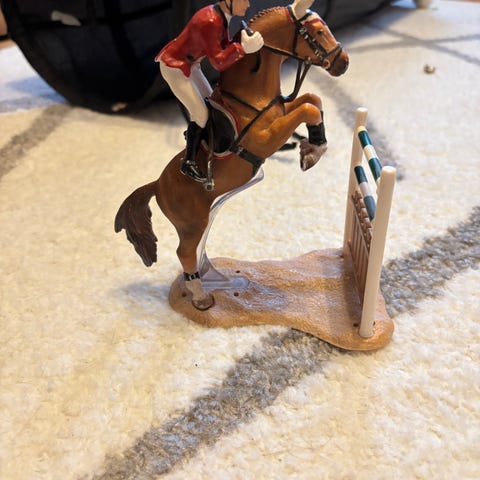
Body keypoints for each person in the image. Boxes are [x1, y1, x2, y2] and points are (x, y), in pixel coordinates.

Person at [155, 0, 264, 182]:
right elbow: (219, 62)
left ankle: (200, 139)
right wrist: (243, 48)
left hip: (190, 64)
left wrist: (240, 39)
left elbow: (223, 45)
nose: (247, 4)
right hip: (175, 67)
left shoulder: (221, 16)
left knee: (213, 102)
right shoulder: (211, 21)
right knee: (201, 113)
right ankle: (188, 162)